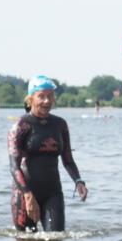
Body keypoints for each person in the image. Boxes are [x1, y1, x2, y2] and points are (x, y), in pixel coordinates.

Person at [8, 75, 88, 232]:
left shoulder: (60, 124)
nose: (47, 101)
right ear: (30, 99)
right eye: (41, 96)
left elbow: (68, 159)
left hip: (53, 193)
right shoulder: (21, 126)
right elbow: (14, 166)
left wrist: (78, 181)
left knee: (56, 240)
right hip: (25, 193)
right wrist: (27, 194)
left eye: (50, 96)